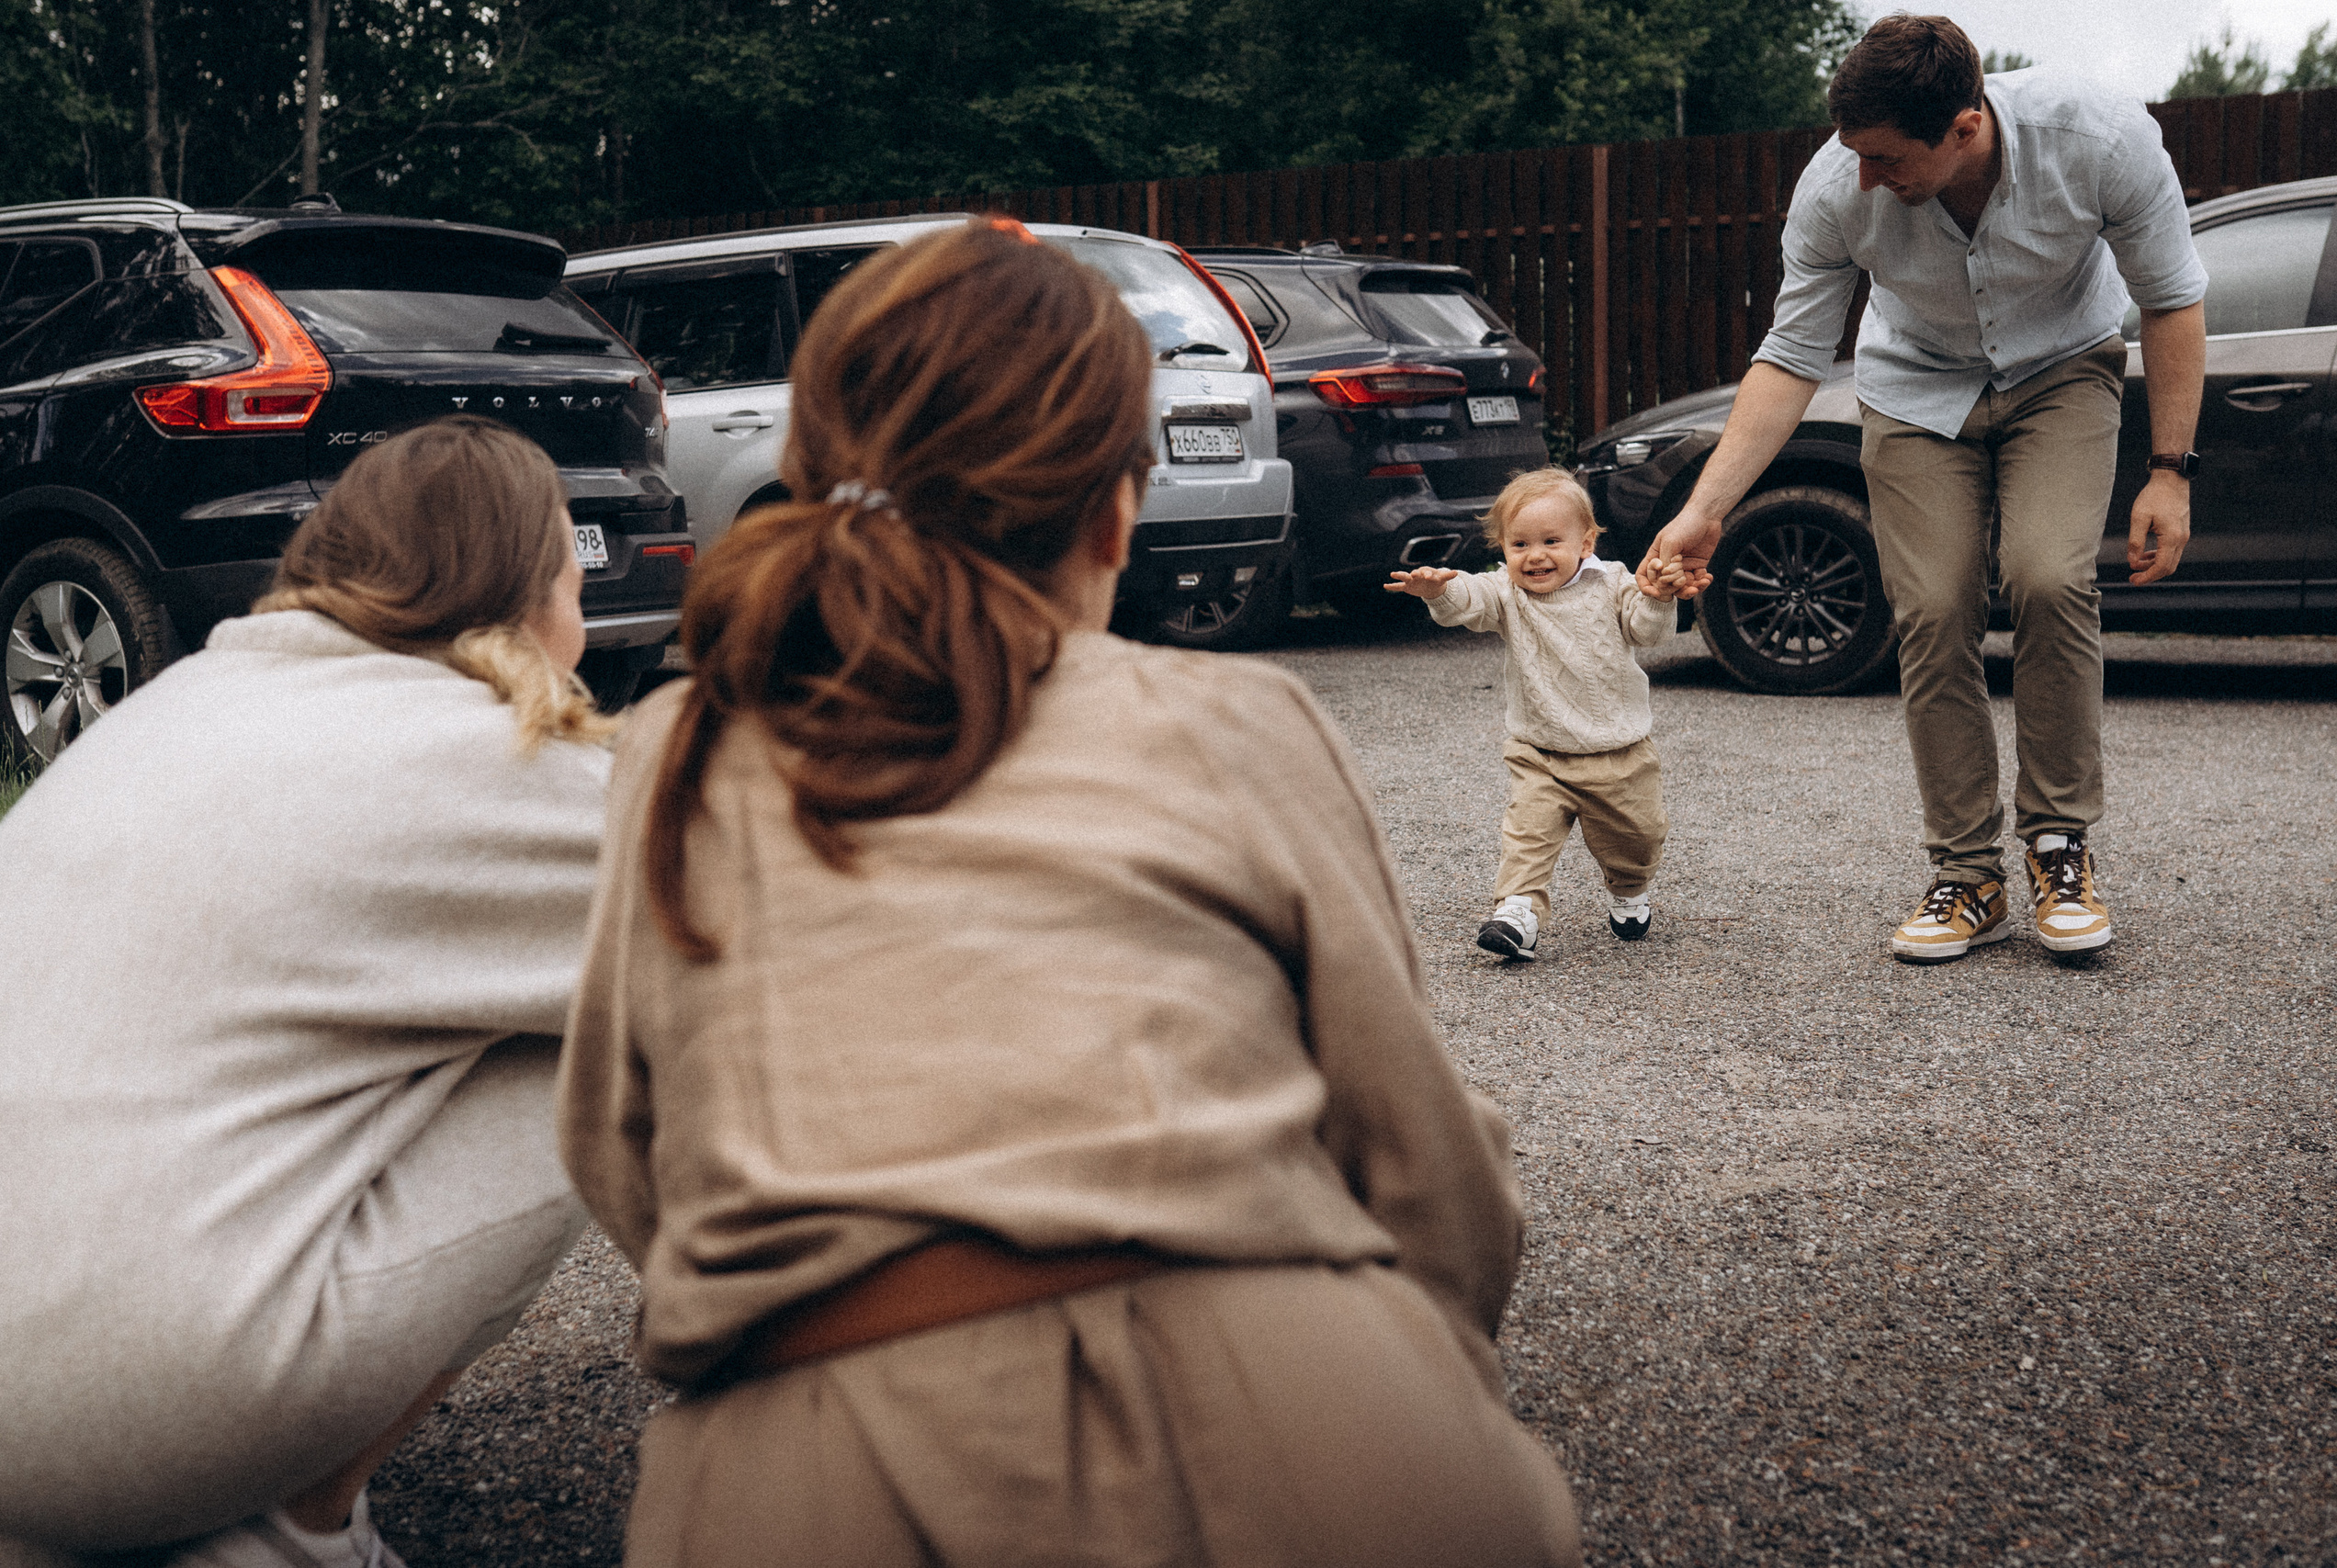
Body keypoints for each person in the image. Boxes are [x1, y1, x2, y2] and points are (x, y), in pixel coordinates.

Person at [557, 220, 1582, 1568]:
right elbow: (1417, 1153)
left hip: (811, 1462)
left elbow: (621, 1153)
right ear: (1117, 506)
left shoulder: (678, 751)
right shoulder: (1231, 718)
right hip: (1300, 1413)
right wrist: (1419, 1359)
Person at [0, 417, 612, 1568]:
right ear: (529, 600)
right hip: (101, 1415)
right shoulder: (485, 762)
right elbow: (756, 917)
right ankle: (292, 1527)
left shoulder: (169, 713)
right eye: (579, 576)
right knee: (604, 1022)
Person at [1640, 12, 2207, 964]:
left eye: (1885, 157)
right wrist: (1706, 508)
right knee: (1932, 607)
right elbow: (1789, 357)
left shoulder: (2099, 138)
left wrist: (2170, 472)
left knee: (2045, 577)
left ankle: (2059, 846)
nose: (1864, 176)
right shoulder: (1836, 183)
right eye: (1853, 154)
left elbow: (2171, 298)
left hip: (2062, 370)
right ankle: (1966, 876)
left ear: (1965, 126)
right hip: (1911, 390)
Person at [1388, 468, 1680, 963]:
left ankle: (1630, 889)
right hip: (1539, 752)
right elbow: (1469, 598)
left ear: (1585, 542)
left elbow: (1647, 632)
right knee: (1527, 836)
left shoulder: (1613, 583)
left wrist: (1657, 598)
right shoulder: (1506, 591)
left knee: (1637, 837)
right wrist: (1439, 591)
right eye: (1519, 544)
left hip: (1620, 753)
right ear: (1502, 546)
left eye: (1550, 540)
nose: (1535, 555)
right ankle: (1516, 914)